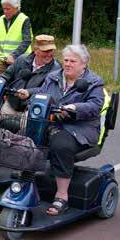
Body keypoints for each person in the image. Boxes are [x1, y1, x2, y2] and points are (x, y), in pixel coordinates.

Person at [38, 45, 104, 216]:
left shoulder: (94, 82)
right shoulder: (52, 77)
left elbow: (95, 106)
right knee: (24, 134)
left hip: (80, 129)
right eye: (65, 60)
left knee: (61, 145)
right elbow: (41, 95)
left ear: (84, 64)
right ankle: (25, 183)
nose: (67, 64)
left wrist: (74, 108)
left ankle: (62, 196)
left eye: (73, 61)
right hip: (52, 123)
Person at [0, 34, 61, 115]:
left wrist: (29, 92)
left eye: (51, 50)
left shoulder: (56, 69)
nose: (49, 54)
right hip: (11, 105)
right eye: (45, 51)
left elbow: (48, 89)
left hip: (33, 111)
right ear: (35, 50)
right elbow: (6, 76)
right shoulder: (22, 59)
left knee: (26, 125)